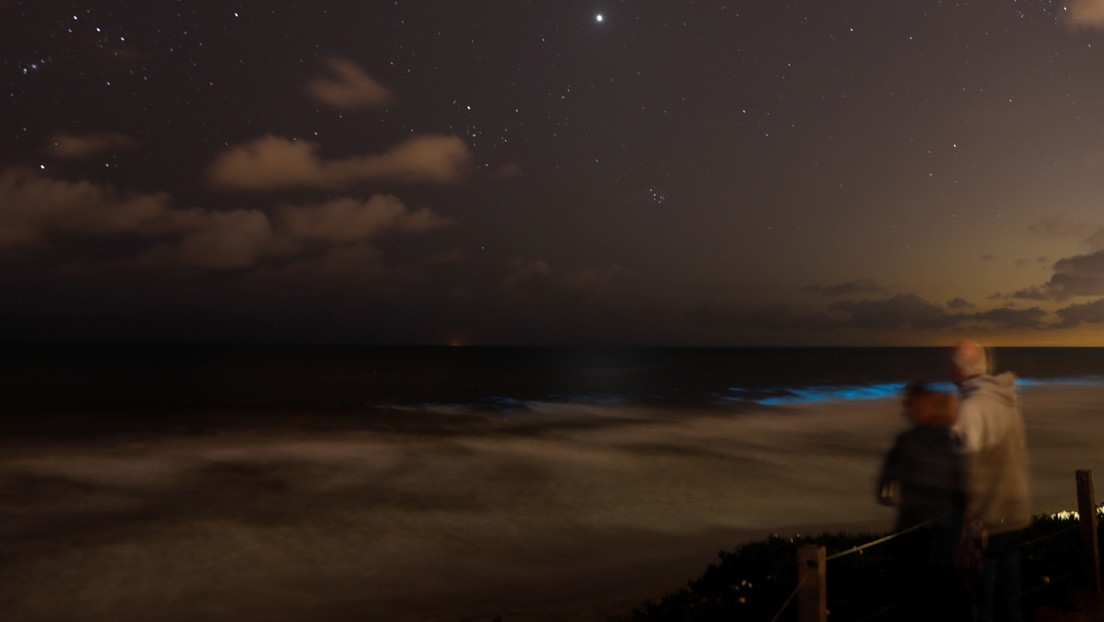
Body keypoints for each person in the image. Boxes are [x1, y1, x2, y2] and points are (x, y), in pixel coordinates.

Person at [949, 341, 1033, 622]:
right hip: (1016, 507)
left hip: (988, 514)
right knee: (1009, 593)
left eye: (952, 365)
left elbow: (967, 468)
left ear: (960, 370)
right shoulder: (1008, 401)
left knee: (981, 598)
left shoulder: (971, 407)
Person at [878, 382, 971, 621]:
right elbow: (965, 486)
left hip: (913, 529)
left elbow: (883, 491)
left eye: (908, 406)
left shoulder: (906, 442)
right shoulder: (954, 442)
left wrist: (898, 499)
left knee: (912, 596)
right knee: (949, 593)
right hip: (947, 531)